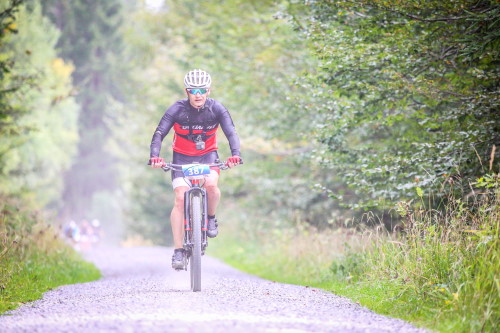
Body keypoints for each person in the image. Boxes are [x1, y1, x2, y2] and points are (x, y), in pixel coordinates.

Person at [149, 69, 242, 270]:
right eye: (193, 90)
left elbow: (231, 132)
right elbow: (159, 134)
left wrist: (235, 154)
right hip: (181, 158)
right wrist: (155, 157)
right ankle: (178, 251)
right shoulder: (176, 110)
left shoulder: (217, 109)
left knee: (211, 186)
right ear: (187, 91)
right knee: (180, 198)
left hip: (208, 156)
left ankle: (210, 218)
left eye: (201, 90)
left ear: (208, 91)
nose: (198, 94)